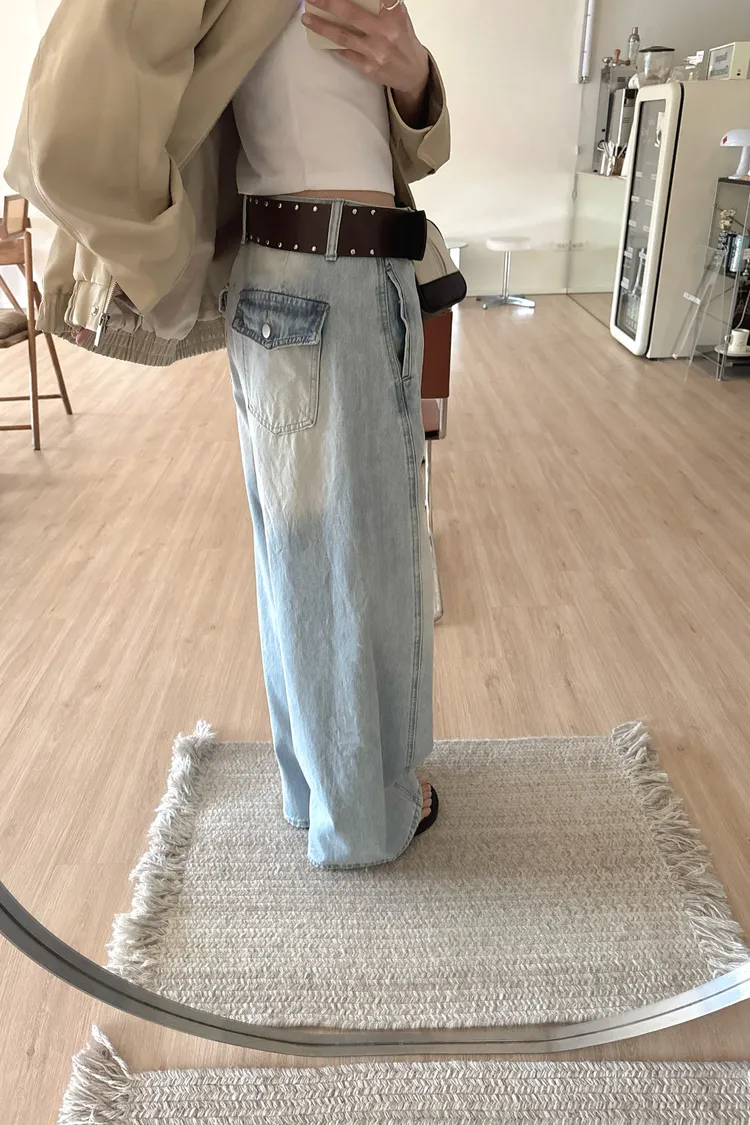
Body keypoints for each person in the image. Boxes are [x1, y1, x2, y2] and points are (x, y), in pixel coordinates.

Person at [6, 0, 450, 869]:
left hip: (343, 272)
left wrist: (414, 77)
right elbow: (58, 136)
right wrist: (169, 266)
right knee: (347, 558)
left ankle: (325, 789)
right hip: (326, 274)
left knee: (320, 552)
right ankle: (366, 815)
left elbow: (397, 146)